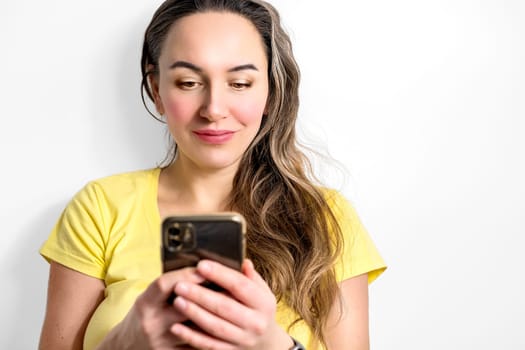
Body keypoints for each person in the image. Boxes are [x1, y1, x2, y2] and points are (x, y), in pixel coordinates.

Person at [38, 0, 387, 349]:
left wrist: (272, 345)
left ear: (269, 92)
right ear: (157, 89)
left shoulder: (325, 217)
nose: (214, 109)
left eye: (239, 83)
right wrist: (125, 342)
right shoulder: (100, 207)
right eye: (188, 82)